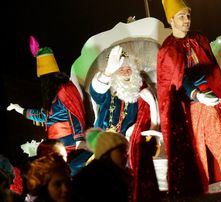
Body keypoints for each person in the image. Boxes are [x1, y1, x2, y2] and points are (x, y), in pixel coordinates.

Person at [157, 0, 221, 195]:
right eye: (181, 17)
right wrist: (196, 93)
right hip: (189, 110)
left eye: (188, 15)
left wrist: (218, 94)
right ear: (171, 20)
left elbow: (212, 70)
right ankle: (197, 194)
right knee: (196, 155)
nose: (187, 20)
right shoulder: (167, 49)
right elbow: (174, 81)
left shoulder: (199, 39)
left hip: (210, 104)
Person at [89, 45, 161, 201]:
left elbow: (149, 116)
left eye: (128, 67)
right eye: (120, 68)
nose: (125, 70)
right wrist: (107, 73)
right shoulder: (107, 89)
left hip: (128, 144)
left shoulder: (142, 91)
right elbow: (96, 94)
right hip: (104, 141)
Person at [7, 36, 87, 153]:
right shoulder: (52, 95)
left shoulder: (64, 89)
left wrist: (79, 138)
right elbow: (42, 115)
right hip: (56, 143)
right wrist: (19, 109)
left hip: (69, 141)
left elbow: (74, 112)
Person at [71, 128, 130, 202]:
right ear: (106, 152)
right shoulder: (91, 179)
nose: (126, 156)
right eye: (121, 151)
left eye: (126, 152)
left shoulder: (123, 175)